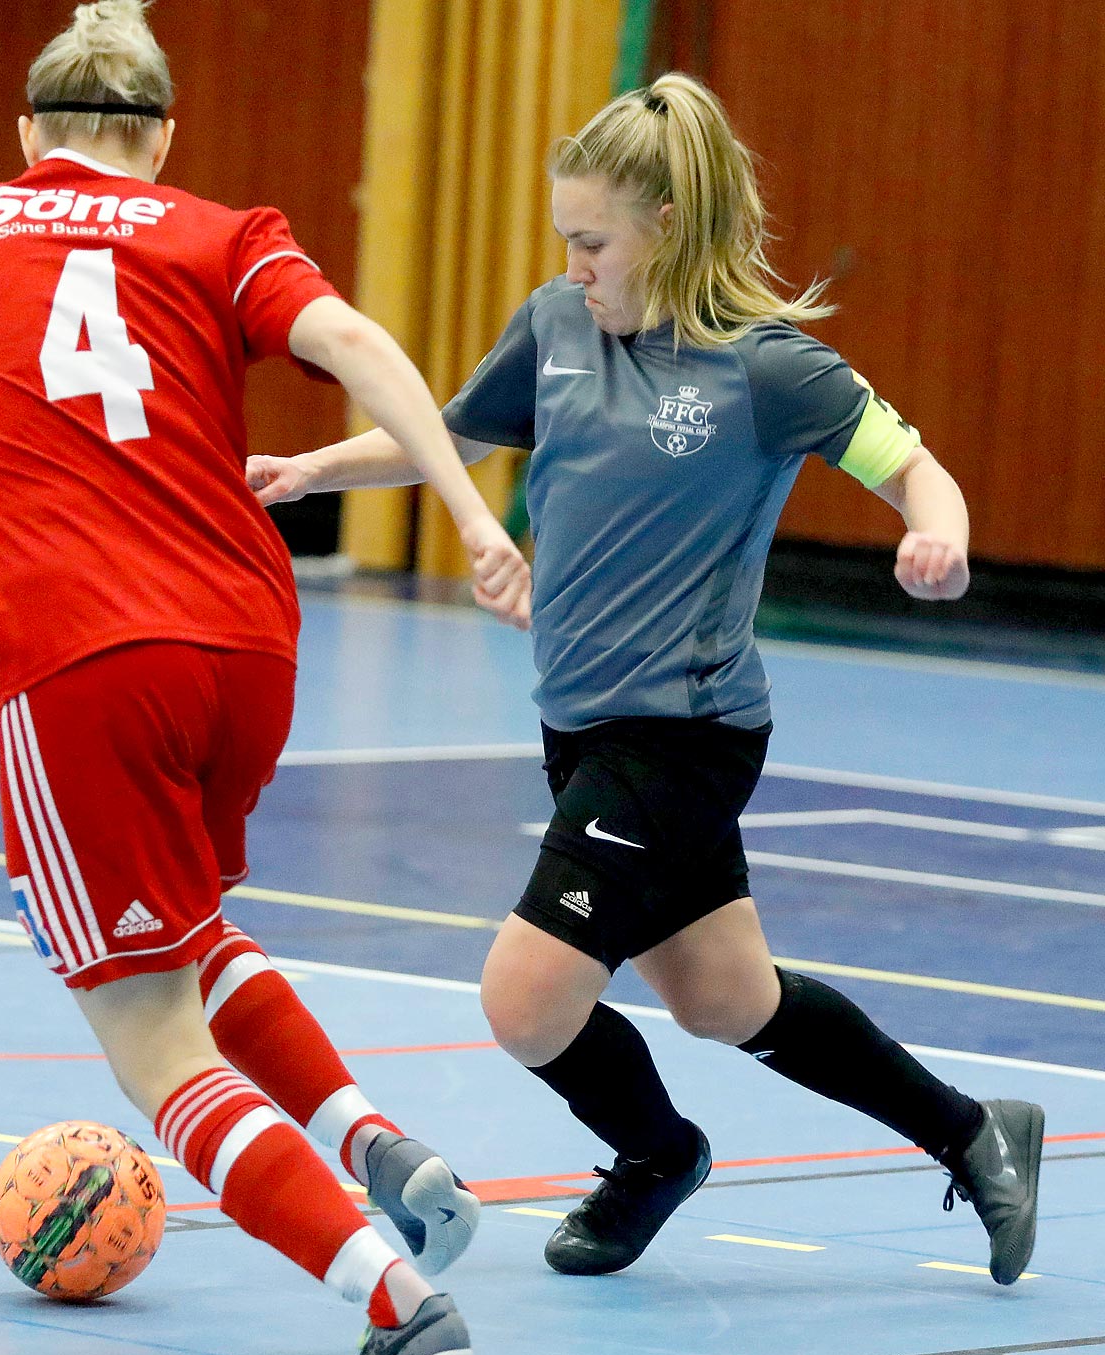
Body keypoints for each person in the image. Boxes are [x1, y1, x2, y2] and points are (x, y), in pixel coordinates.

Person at [0, 0, 533, 1355]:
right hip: (249, 640)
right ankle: (384, 1148)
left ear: (26, 134)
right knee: (190, 926)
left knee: (149, 1032)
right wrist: (463, 507)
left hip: (86, 654)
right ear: (163, 137)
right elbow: (365, 346)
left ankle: (389, 1287)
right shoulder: (221, 229)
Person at [249, 73, 1042, 1287]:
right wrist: (312, 468)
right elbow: (455, 433)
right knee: (728, 1000)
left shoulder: (768, 369)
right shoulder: (557, 327)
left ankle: (655, 1155)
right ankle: (975, 1132)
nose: (575, 266)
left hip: (683, 736)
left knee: (524, 999)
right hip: (581, 731)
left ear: (667, 228)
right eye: (566, 242)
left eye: (593, 243)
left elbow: (911, 465)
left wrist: (939, 534)